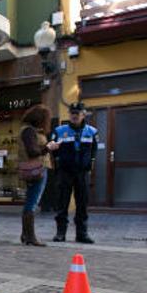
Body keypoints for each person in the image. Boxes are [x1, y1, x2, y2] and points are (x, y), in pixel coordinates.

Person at [51, 101, 99, 243]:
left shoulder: (92, 131)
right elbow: (53, 151)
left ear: (83, 114)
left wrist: (90, 167)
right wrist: (58, 162)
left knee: (82, 205)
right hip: (65, 172)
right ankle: (60, 233)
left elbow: (94, 152)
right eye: (72, 113)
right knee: (62, 203)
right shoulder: (59, 131)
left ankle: (82, 234)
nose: (74, 116)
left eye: (77, 114)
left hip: (82, 173)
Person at [18, 105, 59, 246]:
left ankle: (26, 235)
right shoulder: (29, 131)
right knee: (32, 202)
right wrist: (48, 147)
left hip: (37, 169)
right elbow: (33, 152)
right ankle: (30, 237)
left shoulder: (30, 131)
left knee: (31, 201)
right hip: (36, 170)